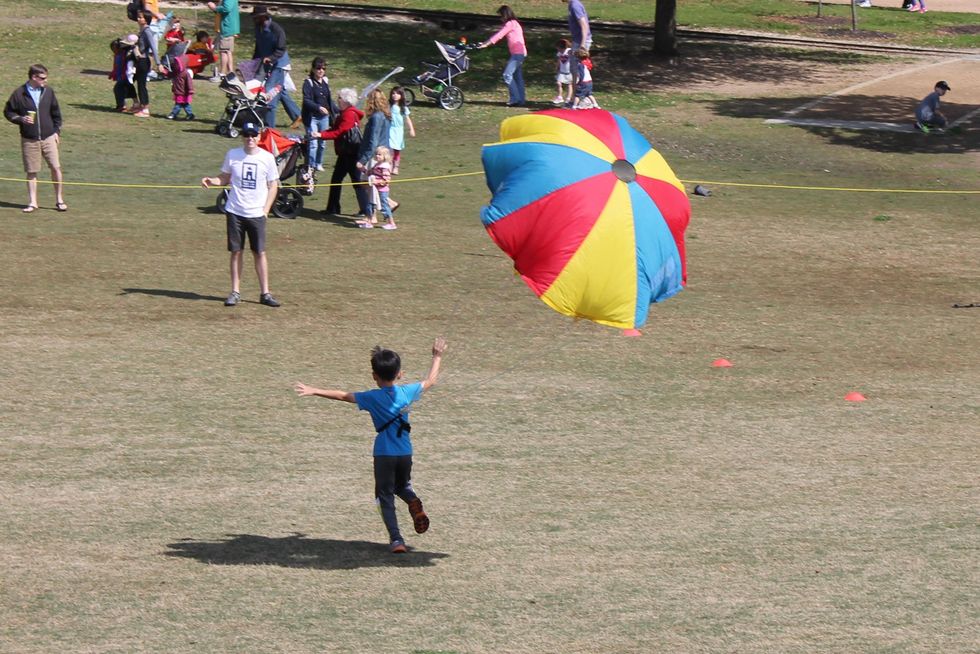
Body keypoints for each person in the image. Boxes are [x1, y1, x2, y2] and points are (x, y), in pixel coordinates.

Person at [294, 337, 448, 554]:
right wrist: (437, 355)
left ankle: (396, 540)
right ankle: (413, 502)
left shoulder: (371, 397)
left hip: (384, 454)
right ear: (400, 374)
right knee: (402, 486)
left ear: (374, 376)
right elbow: (431, 380)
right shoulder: (407, 392)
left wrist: (314, 389)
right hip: (405, 451)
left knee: (384, 494)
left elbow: (342, 395)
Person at [201, 121, 281, 308]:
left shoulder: (267, 158)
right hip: (235, 211)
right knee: (236, 252)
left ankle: (265, 293)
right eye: (246, 135)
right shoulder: (233, 155)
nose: (250, 139)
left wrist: (266, 210)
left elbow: (273, 185)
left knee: (259, 252)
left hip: (256, 213)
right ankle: (235, 291)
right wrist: (211, 181)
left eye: (253, 135)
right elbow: (224, 178)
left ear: (259, 137)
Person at [4, 64, 66, 213]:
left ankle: (59, 200)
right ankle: (33, 202)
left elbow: (56, 113)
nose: (45, 81)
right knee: (31, 171)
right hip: (29, 139)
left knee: (55, 167)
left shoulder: (48, 92)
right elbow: (8, 112)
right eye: (43, 78)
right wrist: (21, 119)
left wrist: (56, 131)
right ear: (34, 77)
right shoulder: (19, 94)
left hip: (49, 137)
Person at [251, 5, 300, 128]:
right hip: (267, 63)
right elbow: (258, 46)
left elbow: (281, 49)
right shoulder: (258, 27)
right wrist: (254, 62)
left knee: (270, 93)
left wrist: (270, 58)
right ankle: (297, 115)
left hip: (279, 64)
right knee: (280, 90)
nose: (254, 20)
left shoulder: (276, 29)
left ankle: (269, 127)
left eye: (256, 18)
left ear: (263, 17)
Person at [318, 87, 364, 216]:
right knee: (337, 179)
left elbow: (339, 132)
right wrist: (320, 133)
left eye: (339, 98)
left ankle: (366, 209)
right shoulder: (345, 113)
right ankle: (333, 208)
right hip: (345, 153)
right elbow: (334, 129)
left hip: (351, 153)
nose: (337, 100)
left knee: (357, 182)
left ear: (346, 100)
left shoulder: (349, 114)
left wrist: (321, 135)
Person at [477, 5, 527, 107]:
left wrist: (486, 44)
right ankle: (521, 100)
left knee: (507, 75)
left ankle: (515, 99)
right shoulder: (515, 23)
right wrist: (485, 42)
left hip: (518, 54)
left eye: (501, 16)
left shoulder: (510, 24)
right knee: (518, 77)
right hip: (520, 53)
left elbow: (499, 35)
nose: (501, 19)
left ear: (505, 15)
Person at [355, 88, 392, 217]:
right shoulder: (386, 115)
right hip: (384, 153)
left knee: (369, 186)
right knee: (372, 186)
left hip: (375, 156)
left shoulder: (376, 117)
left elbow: (373, 142)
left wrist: (362, 161)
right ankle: (386, 206)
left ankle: (372, 216)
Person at [302, 57, 336, 172]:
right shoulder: (308, 83)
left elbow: (329, 101)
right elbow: (306, 100)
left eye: (323, 68)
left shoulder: (325, 81)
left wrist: (339, 110)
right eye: (318, 68)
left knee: (322, 143)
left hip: (324, 118)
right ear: (313, 69)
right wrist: (318, 107)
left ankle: (318, 163)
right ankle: (310, 166)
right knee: (313, 143)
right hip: (312, 117)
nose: (321, 70)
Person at [133, 9, 166, 117]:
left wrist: (158, 63)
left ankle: (145, 109)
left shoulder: (147, 31)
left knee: (142, 85)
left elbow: (153, 48)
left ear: (146, 19)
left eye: (141, 17)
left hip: (144, 61)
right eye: (138, 17)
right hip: (139, 60)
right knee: (137, 82)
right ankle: (139, 106)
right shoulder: (142, 30)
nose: (138, 19)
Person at [360, 145, 396, 230]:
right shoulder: (377, 164)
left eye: (379, 154)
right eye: (376, 154)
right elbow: (370, 172)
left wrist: (377, 182)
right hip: (374, 189)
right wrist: (363, 169)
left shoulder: (384, 167)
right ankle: (369, 222)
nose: (377, 156)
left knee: (384, 206)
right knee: (370, 204)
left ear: (385, 156)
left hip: (382, 190)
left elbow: (386, 180)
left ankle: (391, 223)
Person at [207, 0, 240, 78]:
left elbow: (226, 9)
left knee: (223, 51)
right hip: (228, 28)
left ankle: (222, 73)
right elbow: (224, 12)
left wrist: (214, 8)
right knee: (228, 51)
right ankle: (230, 73)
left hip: (227, 28)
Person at [388, 86, 414, 176]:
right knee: (389, 148)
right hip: (390, 129)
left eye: (397, 93)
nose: (395, 95)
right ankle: (389, 165)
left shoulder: (403, 108)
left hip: (398, 130)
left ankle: (396, 167)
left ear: (401, 95)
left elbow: (407, 119)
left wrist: (411, 129)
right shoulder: (389, 106)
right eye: (393, 93)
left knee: (397, 149)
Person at [110, 34, 139, 113]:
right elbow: (116, 66)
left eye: (114, 49)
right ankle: (128, 104)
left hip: (126, 75)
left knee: (118, 89)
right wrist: (113, 73)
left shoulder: (124, 55)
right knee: (126, 89)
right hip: (123, 76)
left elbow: (125, 66)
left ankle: (122, 106)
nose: (114, 51)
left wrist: (124, 75)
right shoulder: (118, 55)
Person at [166, 54, 194, 120]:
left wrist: (190, 90)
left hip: (183, 93)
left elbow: (189, 82)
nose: (175, 65)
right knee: (185, 104)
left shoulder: (185, 74)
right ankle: (190, 114)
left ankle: (174, 114)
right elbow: (171, 75)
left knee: (178, 104)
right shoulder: (176, 72)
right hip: (178, 91)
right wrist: (166, 72)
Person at [553, 38, 573, 105]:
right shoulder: (559, 53)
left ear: (563, 47)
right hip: (562, 71)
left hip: (569, 72)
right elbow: (559, 60)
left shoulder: (569, 51)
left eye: (559, 48)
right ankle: (559, 96)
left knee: (569, 85)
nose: (558, 50)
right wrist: (557, 67)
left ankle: (568, 98)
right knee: (558, 83)